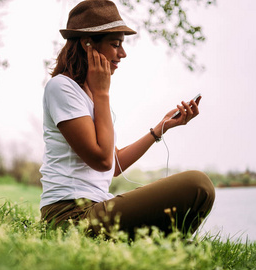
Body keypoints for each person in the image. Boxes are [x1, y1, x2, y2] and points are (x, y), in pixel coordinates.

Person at [39, 0, 215, 239]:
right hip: (70, 216)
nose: (122, 53)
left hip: (96, 208)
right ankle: (166, 244)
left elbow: (113, 165)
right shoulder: (61, 88)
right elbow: (102, 160)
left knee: (200, 191)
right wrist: (102, 93)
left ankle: (169, 245)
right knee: (197, 184)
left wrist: (160, 128)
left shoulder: (90, 95)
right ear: (88, 43)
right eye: (115, 45)